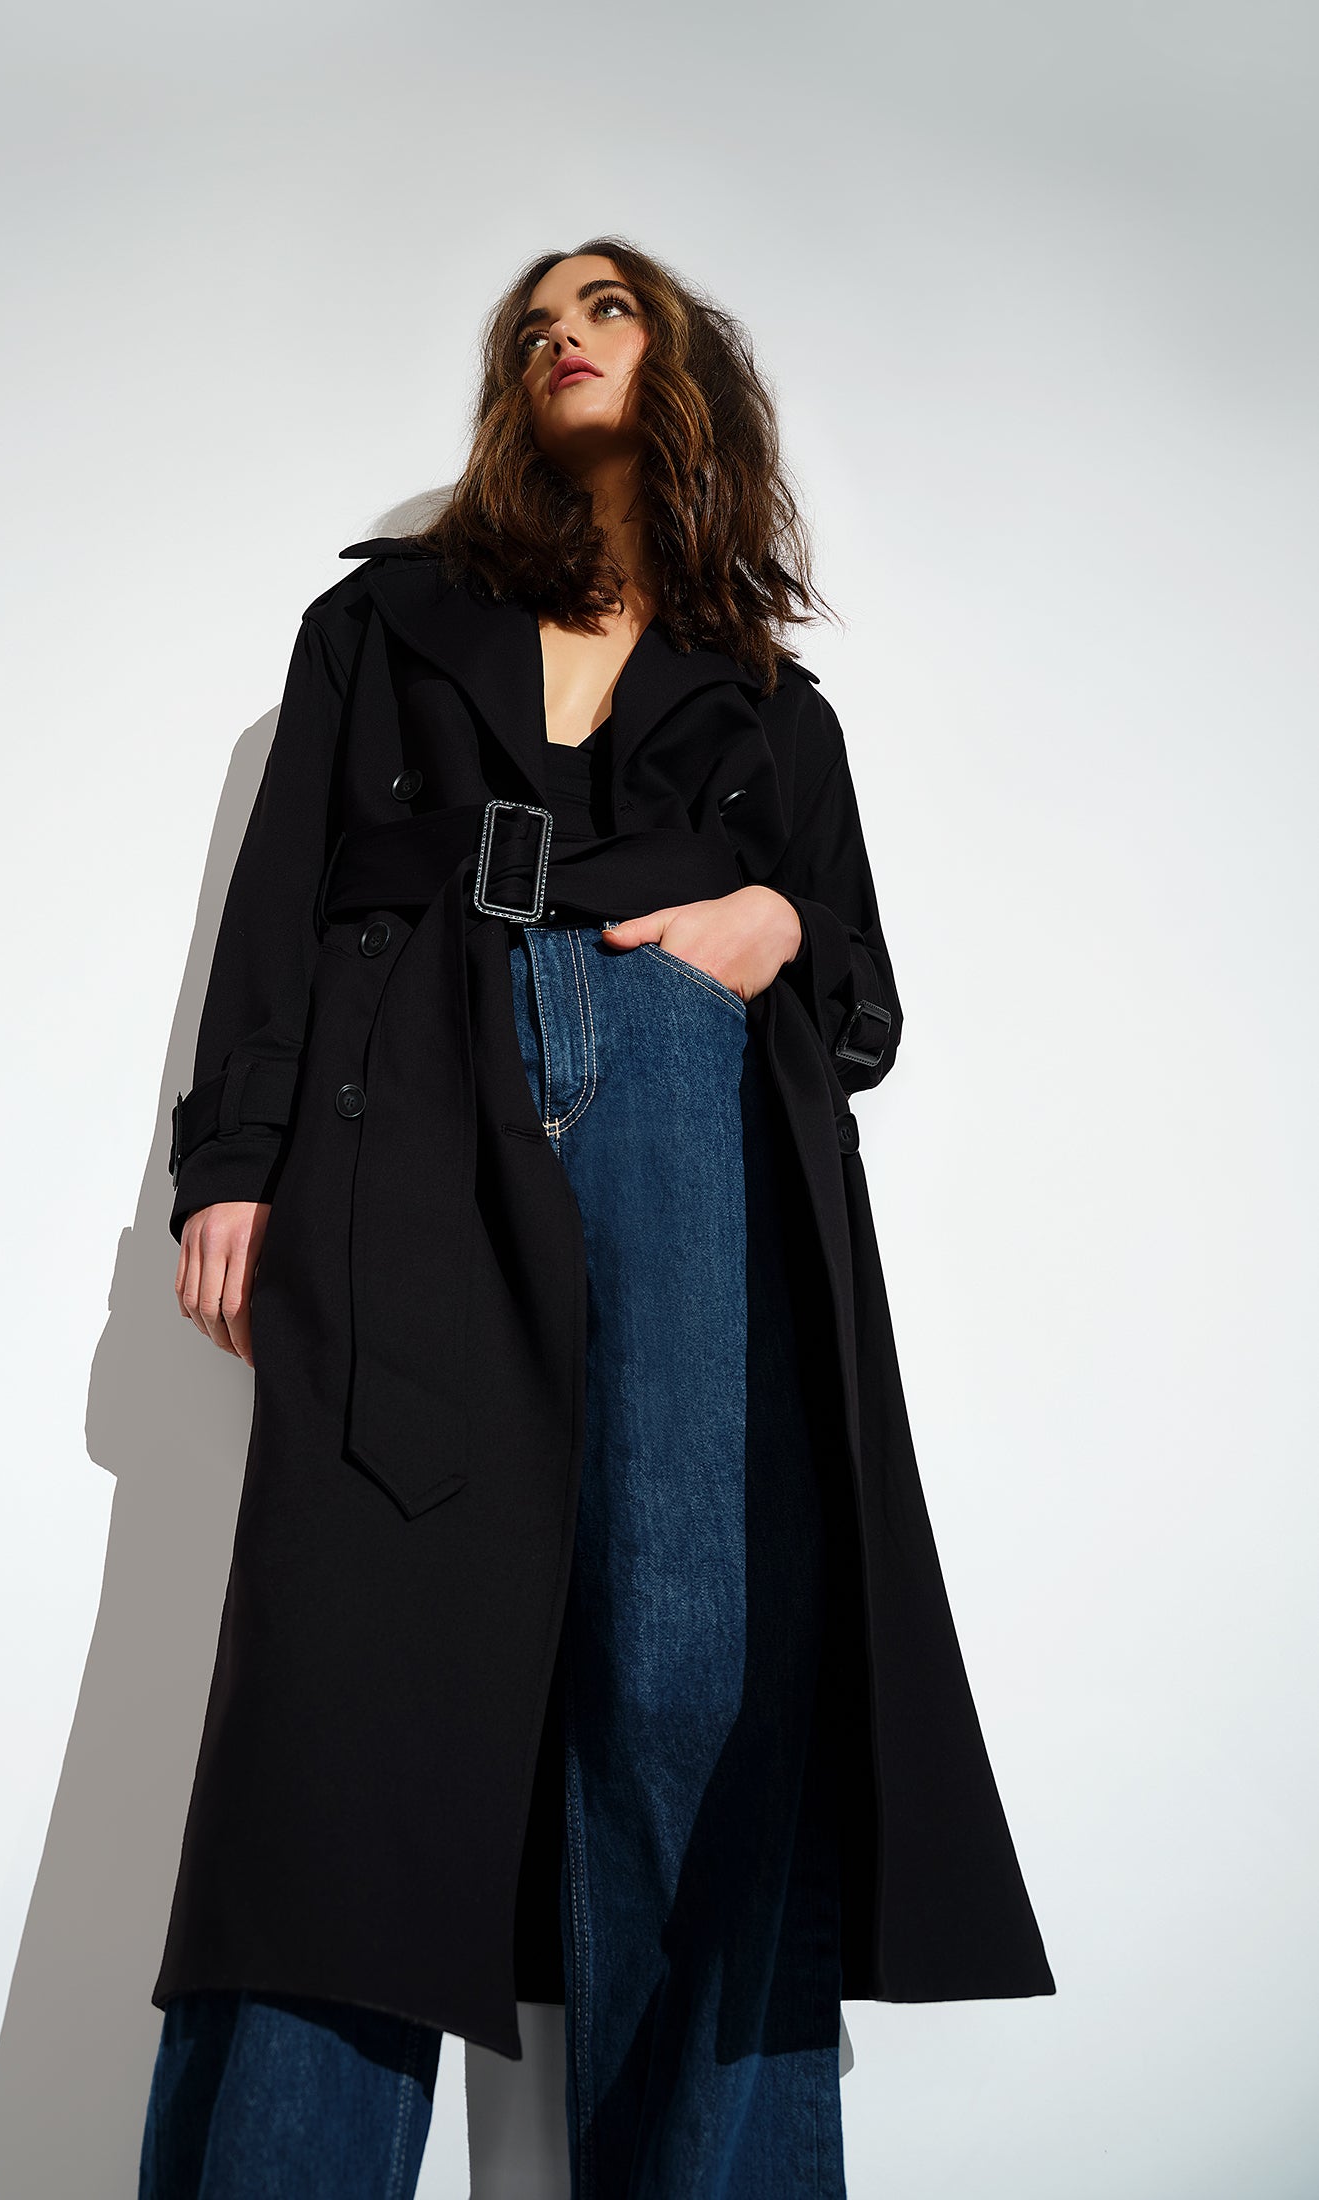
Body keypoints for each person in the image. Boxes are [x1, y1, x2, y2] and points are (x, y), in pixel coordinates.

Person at [137, 236, 1053, 2200]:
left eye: (606, 306)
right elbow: (286, 895)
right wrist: (232, 1161)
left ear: (682, 364)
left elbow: (863, 1002)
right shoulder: (380, 624)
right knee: (354, 1679)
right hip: (412, 1089)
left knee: (685, 1664)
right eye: (536, 321)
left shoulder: (772, 704)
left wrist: (772, 917)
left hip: (683, 1098)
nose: (564, 332)